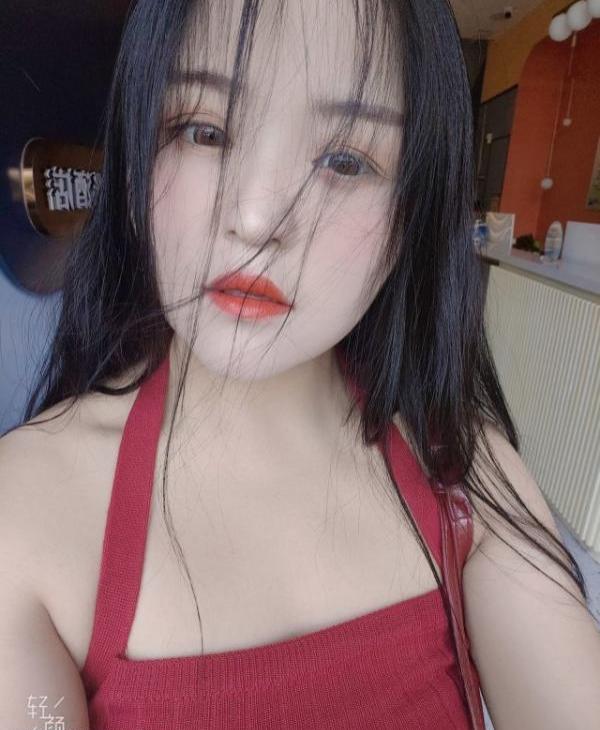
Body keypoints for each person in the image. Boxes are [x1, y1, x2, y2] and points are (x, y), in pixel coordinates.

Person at [1, 1, 599, 728]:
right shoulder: (25, 510)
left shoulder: (465, 475)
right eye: (204, 131)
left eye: (345, 160)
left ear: (415, 210)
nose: (256, 219)